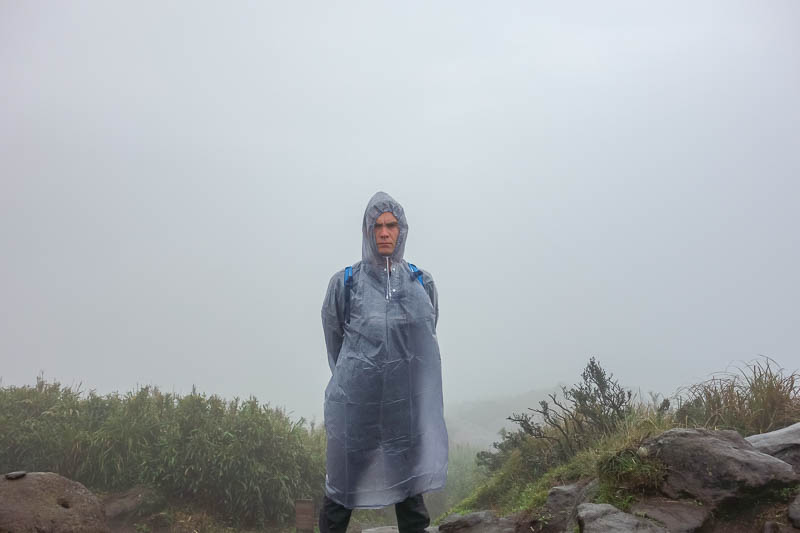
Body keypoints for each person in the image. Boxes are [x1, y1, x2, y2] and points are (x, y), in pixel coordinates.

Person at [320, 191, 448, 533]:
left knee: (410, 493)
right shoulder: (345, 284)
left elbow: (425, 337)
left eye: (391, 225)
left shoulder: (421, 283)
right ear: (367, 231)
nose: (384, 233)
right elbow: (336, 345)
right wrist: (358, 380)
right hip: (356, 408)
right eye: (376, 226)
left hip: (403, 409)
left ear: (402, 230)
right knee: (340, 491)